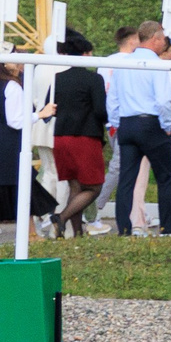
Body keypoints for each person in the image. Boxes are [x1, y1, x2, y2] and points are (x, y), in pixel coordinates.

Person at [106, 21, 171, 237]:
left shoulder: (123, 63)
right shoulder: (157, 64)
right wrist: (167, 126)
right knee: (165, 178)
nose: (165, 43)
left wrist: (116, 123)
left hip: (127, 123)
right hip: (151, 123)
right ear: (155, 38)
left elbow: (113, 98)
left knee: (126, 180)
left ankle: (125, 228)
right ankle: (169, 228)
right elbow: (162, 100)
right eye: (164, 39)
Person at [46, 31, 108, 239]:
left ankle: (78, 233)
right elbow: (100, 110)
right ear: (84, 54)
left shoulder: (57, 79)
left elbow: (49, 107)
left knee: (75, 185)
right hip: (85, 137)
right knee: (94, 187)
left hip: (60, 136)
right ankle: (61, 218)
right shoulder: (94, 79)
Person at [1, 62, 62, 233]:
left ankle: (31, 233)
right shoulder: (11, 86)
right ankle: (31, 234)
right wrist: (41, 114)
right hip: (8, 145)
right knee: (22, 188)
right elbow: (15, 120)